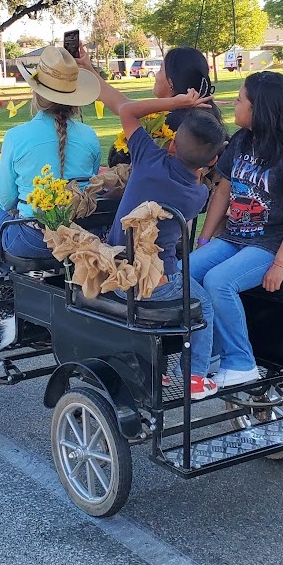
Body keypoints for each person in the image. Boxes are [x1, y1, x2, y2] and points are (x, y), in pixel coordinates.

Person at [190, 71, 283, 389]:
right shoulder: (241, 140)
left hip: (273, 246)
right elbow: (222, 190)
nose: (233, 104)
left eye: (239, 99)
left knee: (218, 282)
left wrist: (279, 263)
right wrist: (205, 240)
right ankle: (211, 354)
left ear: (259, 108)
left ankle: (242, 363)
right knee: (184, 272)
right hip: (234, 237)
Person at [108, 99, 227, 399]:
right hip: (157, 284)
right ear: (212, 162)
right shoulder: (197, 194)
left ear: (172, 143)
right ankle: (194, 377)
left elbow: (126, 110)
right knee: (204, 305)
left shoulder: (147, 157)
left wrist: (178, 102)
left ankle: (159, 370)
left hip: (117, 271)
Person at [0, 46, 101, 274]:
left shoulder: (16, 136)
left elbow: (6, 198)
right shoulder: (90, 136)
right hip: (82, 236)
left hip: (32, 242)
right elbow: (90, 185)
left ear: (36, 94)